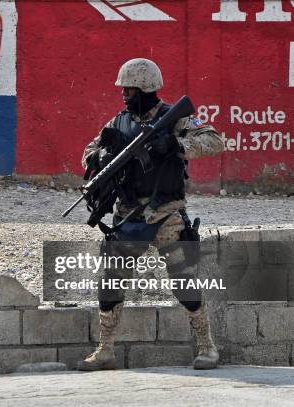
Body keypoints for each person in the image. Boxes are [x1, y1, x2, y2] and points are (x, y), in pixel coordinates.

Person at [77, 58, 224, 371]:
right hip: (128, 214)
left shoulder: (174, 118)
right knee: (112, 282)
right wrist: (101, 154)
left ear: (144, 88)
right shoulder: (117, 123)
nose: (124, 95)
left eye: (128, 89)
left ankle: (207, 347)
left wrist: (173, 144)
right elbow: (88, 153)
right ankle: (105, 350)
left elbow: (214, 140)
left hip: (167, 213)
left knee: (184, 280)